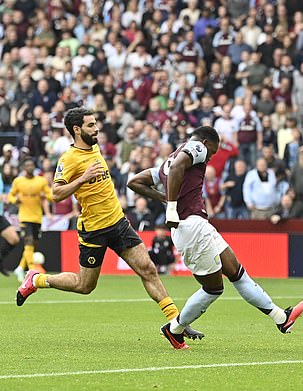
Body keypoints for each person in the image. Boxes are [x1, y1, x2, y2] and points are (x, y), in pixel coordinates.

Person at [16, 108, 203, 341]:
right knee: (85, 286)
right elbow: (56, 193)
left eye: (96, 124)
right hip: (94, 230)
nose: (96, 129)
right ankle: (36, 279)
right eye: (91, 125)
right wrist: (83, 179)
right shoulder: (68, 159)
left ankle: (176, 325)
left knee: (148, 269)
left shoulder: (94, 147)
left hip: (118, 222)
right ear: (77, 130)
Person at [127, 125, 303, 349]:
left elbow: (134, 182)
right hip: (191, 227)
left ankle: (282, 318)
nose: (212, 156)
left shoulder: (166, 163)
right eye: (214, 151)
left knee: (237, 273)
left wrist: (164, 198)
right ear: (206, 142)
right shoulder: (197, 147)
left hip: (199, 225)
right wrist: (171, 207)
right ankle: (174, 329)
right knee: (213, 289)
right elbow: (176, 168)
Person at [8, 158, 53, 282]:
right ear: (23, 168)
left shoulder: (41, 181)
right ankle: (32, 273)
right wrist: (14, 200)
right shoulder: (18, 181)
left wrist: (45, 196)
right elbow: (10, 195)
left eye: (31, 165)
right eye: (27, 165)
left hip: (37, 218)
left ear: (34, 167)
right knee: (28, 243)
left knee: (33, 246)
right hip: (24, 217)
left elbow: (51, 196)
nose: (29, 167)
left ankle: (20, 267)